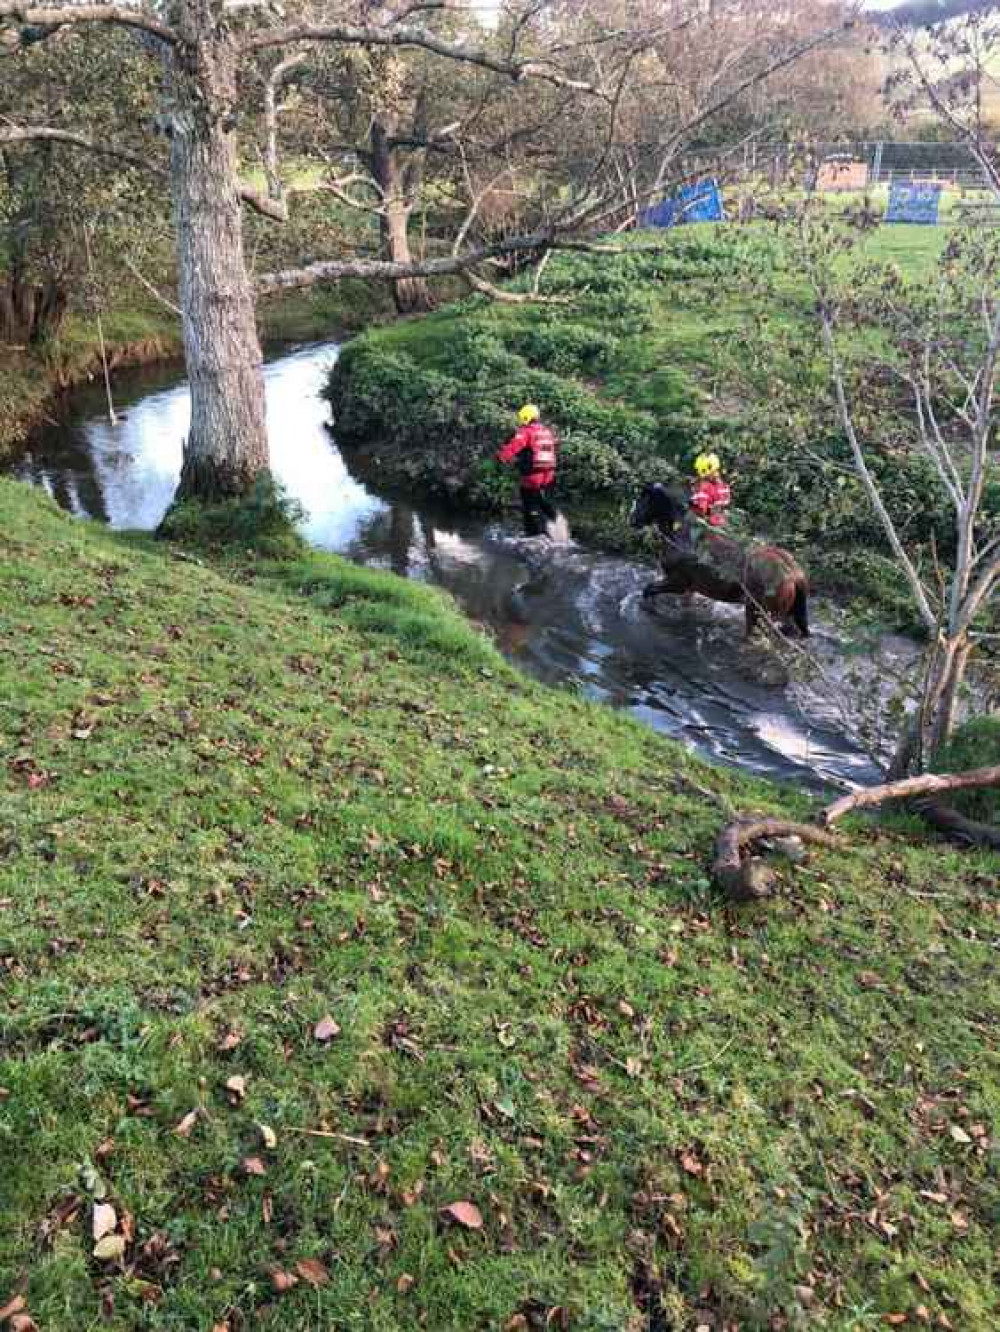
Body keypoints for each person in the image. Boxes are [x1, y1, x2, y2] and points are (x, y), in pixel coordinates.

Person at [496, 404, 559, 536]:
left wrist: (501, 457)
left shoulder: (526, 432)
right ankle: (556, 521)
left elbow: (514, 447)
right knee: (542, 499)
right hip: (548, 474)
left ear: (526, 417)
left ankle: (533, 535)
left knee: (529, 502)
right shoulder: (546, 431)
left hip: (532, 474)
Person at [688, 451, 731, 533]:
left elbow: (701, 509)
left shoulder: (703, 486)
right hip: (721, 523)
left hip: (706, 525)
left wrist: (692, 502)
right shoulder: (724, 485)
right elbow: (725, 502)